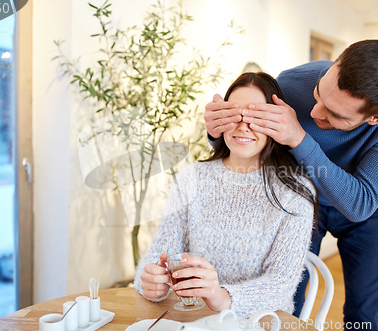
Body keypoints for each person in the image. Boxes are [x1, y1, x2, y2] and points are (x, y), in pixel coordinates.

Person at [204, 40, 378, 331]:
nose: (314, 112)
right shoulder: (292, 82)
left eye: (335, 115)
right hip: (301, 200)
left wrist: (299, 138)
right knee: (284, 304)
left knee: (365, 317)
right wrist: (216, 132)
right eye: (318, 94)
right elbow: (248, 142)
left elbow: (359, 204)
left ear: (376, 118)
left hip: (362, 201)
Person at [134, 72, 318, 317]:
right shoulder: (191, 179)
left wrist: (223, 297)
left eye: (257, 116)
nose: (243, 125)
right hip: (193, 320)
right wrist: (151, 281)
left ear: (275, 123)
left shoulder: (295, 192)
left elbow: (281, 285)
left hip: (261, 323)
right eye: (234, 114)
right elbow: (159, 256)